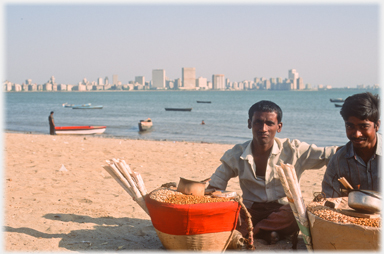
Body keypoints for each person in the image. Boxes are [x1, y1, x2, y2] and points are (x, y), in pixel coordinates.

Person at [207, 100, 337, 245]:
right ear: (250, 123)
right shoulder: (237, 154)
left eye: (270, 123)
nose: (263, 128)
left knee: (297, 214)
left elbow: (329, 154)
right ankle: (266, 233)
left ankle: (254, 232)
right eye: (258, 122)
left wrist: (360, 143)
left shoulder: (294, 150)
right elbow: (215, 186)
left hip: (282, 211)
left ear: (279, 127)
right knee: (230, 215)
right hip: (250, 211)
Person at [322, 92, 381, 198]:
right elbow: (328, 201)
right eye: (350, 126)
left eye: (364, 126)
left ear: (377, 126)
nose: (357, 134)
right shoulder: (338, 161)